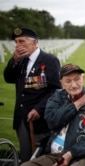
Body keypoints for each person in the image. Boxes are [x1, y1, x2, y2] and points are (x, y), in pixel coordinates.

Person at [21, 63, 85, 166]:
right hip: (54, 155)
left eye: (77, 79)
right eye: (68, 81)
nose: (74, 85)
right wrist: (79, 103)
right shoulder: (57, 97)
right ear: (61, 83)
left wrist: (71, 154)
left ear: (84, 79)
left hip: (80, 156)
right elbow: (52, 121)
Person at [3, 27, 61, 163]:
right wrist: (15, 61)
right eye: (16, 42)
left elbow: (55, 90)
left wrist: (38, 109)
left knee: (40, 157)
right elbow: (8, 78)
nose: (17, 45)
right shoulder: (21, 61)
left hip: (41, 120)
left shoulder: (49, 60)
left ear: (34, 43)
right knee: (25, 156)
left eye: (21, 41)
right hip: (22, 119)